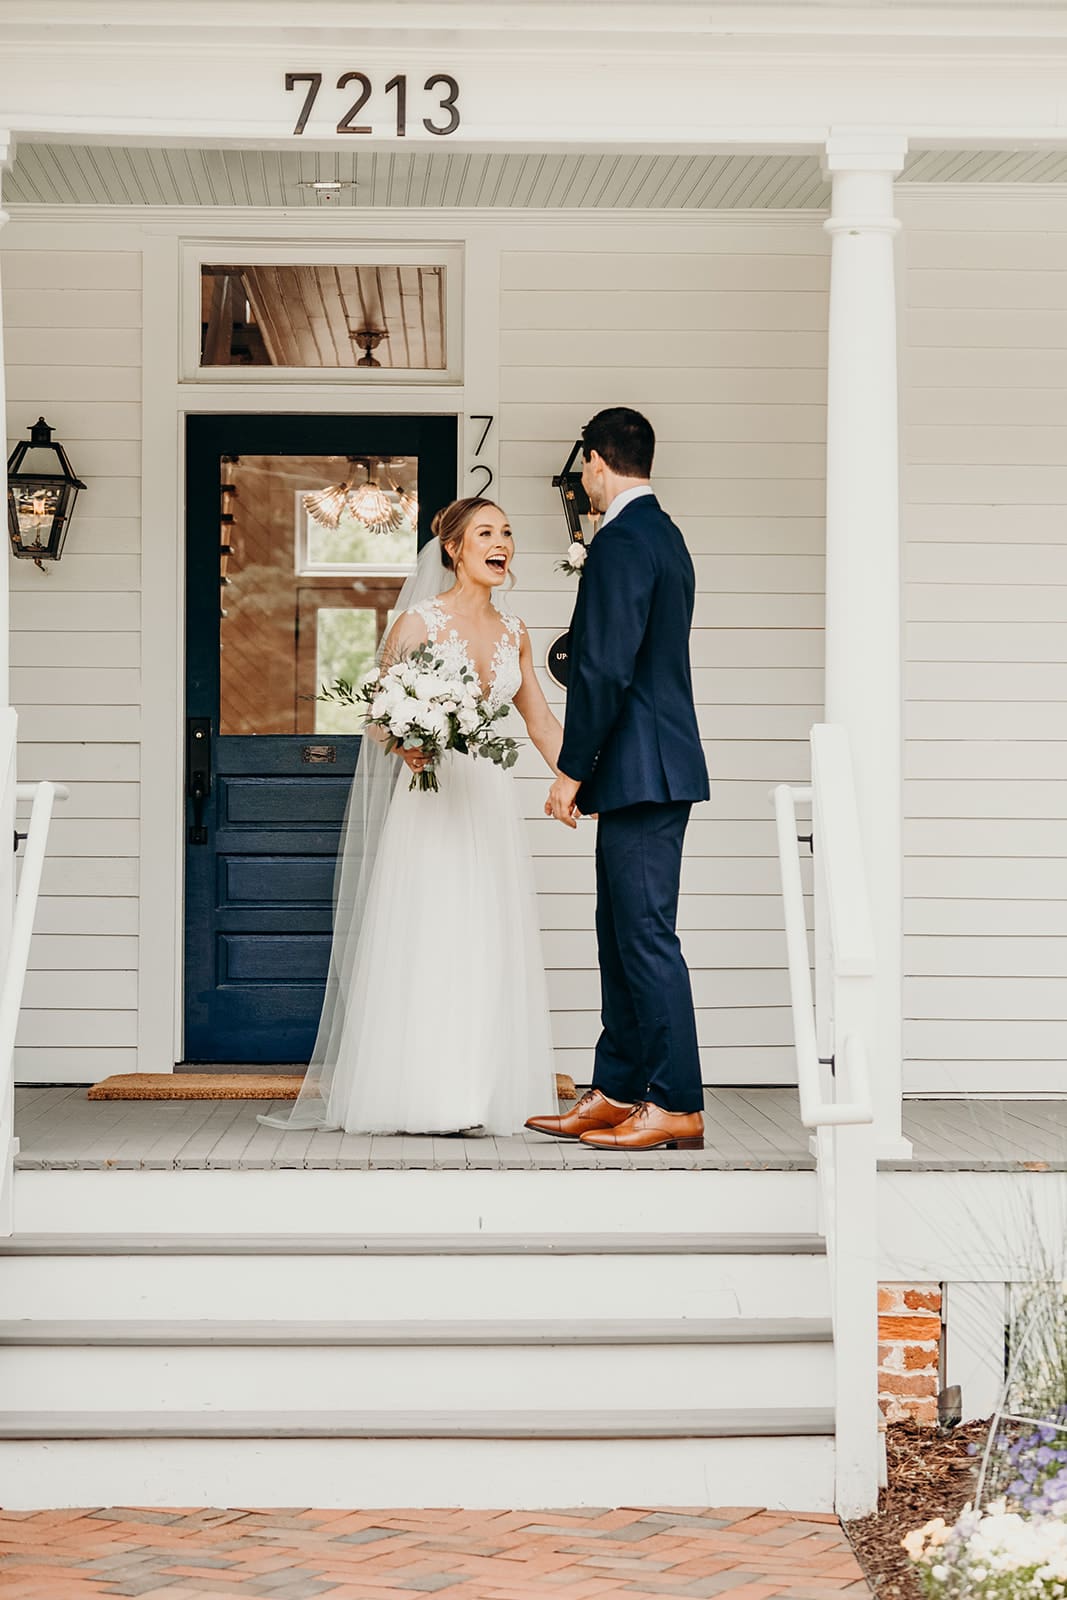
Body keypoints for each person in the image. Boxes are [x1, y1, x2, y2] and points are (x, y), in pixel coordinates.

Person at [262, 497, 561, 1136]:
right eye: (486, 532)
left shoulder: (517, 632)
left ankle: (481, 1093)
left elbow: (537, 721)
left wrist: (574, 776)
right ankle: (424, 1093)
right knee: (431, 933)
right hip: (430, 799)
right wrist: (412, 739)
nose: (501, 542)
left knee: (487, 936)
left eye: (507, 532)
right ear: (454, 549)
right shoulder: (416, 622)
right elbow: (380, 717)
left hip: (489, 799)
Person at [526, 408, 710, 1152]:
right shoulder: (661, 534)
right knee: (619, 935)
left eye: (582, 471)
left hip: (642, 768)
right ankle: (618, 1089)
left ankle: (674, 1103)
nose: (582, 484)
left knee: (642, 937)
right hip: (648, 766)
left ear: (597, 462)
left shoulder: (623, 541)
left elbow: (605, 667)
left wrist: (571, 771)